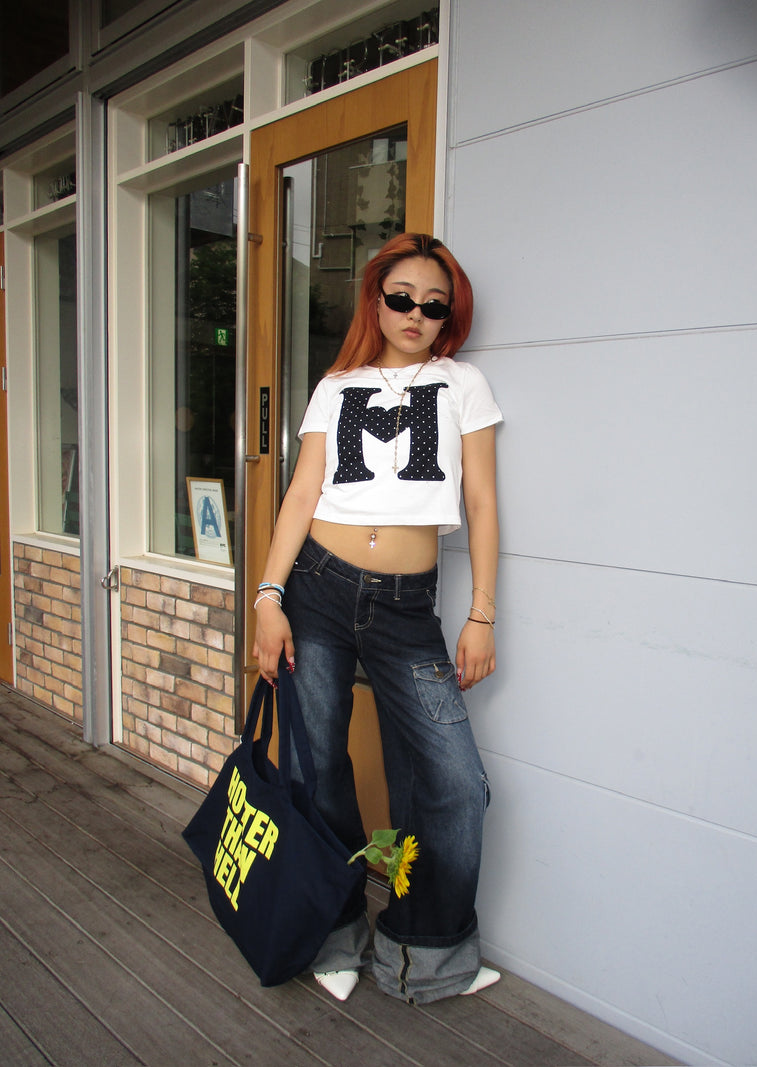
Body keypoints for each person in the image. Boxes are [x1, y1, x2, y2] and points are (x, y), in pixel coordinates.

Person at [252, 232, 502, 1005]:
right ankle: (335, 934)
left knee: (455, 783)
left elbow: (482, 500)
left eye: (435, 304)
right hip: (317, 588)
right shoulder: (337, 385)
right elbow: (302, 493)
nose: (416, 314)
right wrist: (267, 596)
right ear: (377, 300)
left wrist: (482, 612)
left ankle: (425, 949)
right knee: (318, 766)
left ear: (449, 315)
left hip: (405, 606)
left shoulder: (462, 383)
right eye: (401, 298)